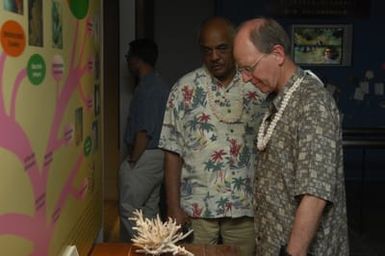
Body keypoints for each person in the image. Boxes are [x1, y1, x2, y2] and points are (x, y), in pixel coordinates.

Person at [233, 17, 349, 255]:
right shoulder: (278, 99)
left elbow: (315, 194)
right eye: (241, 70)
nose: (245, 78)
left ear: (277, 54)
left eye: (249, 68)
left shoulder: (312, 103)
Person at [158, 17, 266, 256]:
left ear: (234, 45)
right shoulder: (184, 89)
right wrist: (173, 207)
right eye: (207, 50)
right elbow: (171, 152)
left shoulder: (256, 87)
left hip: (244, 209)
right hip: (196, 211)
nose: (214, 57)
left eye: (222, 48)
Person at [119, 38, 170, 241]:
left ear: (137, 59)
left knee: (128, 208)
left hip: (146, 155)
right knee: (149, 209)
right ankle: (157, 249)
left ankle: (149, 247)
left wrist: (132, 160)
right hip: (159, 155)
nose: (127, 62)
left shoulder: (148, 88)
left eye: (128, 57)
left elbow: (144, 131)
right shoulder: (159, 83)